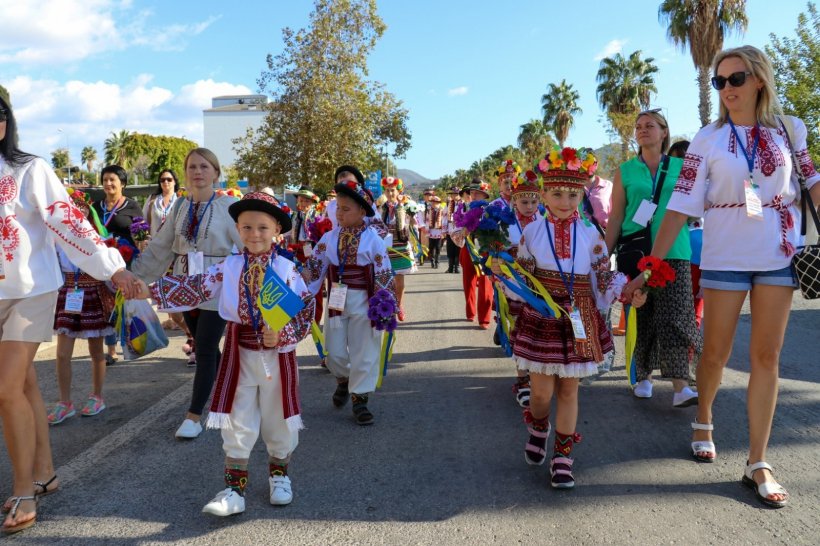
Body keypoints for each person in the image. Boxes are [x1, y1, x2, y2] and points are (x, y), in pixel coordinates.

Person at [625, 45, 820, 508]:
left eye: (735, 79)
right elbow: (681, 205)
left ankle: (758, 460)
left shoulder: (791, 128)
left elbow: (811, 182)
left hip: (777, 253)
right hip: (725, 255)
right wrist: (650, 266)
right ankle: (704, 418)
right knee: (714, 352)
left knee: (767, 356)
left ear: (759, 80)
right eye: (719, 81)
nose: (727, 89)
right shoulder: (707, 139)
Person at [0, 84, 139, 534]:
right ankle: (45, 473)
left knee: (5, 390)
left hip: (31, 290)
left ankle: (23, 490)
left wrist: (110, 269)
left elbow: (68, 220)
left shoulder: (29, 168)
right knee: (22, 385)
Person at [134, 191, 314, 516]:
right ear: (237, 230)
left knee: (278, 418)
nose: (253, 234)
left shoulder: (287, 270)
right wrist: (150, 288)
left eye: (261, 227)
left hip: (277, 356)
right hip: (239, 353)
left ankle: (279, 476)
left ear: (276, 230)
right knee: (236, 416)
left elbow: (303, 312)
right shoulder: (229, 267)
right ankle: (234, 490)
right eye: (246, 227)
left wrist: (282, 332)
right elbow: (196, 286)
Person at [491, 147, 632, 489]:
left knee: (569, 390)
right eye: (557, 194)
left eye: (572, 194)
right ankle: (539, 426)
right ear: (543, 194)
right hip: (543, 315)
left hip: (579, 314)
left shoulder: (592, 235)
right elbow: (522, 274)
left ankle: (563, 457)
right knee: (540, 392)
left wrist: (625, 289)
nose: (565, 202)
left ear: (581, 194)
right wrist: (504, 274)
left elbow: (602, 274)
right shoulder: (532, 234)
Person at [131, 147, 243, 440]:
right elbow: (161, 246)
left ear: (216, 173)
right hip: (183, 286)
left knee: (204, 348)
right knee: (204, 346)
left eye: (205, 166)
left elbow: (247, 245)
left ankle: (194, 416)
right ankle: (225, 397)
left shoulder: (228, 206)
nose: (198, 172)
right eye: (192, 166)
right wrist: (134, 277)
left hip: (214, 286)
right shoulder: (180, 207)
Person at [605, 109, 701, 407]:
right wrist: (602, 255)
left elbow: (693, 209)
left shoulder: (681, 167)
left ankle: (680, 385)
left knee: (676, 316)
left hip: (676, 252)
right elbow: (617, 215)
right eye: (638, 126)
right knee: (642, 314)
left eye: (650, 125)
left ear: (664, 132)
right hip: (637, 251)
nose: (643, 130)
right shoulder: (625, 171)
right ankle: (643, 377)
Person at [302, 175, 397, 426]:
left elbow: (384, 273)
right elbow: (314, 268)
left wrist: (384, 307)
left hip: (365, 301)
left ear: (362, 211)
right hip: (336, 299)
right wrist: (297, 285)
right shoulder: (329, 238)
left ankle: (360, 398)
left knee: (363, 349)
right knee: (333, 351)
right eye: (338, 209)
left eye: (346, 209)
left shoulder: (373, 240)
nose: (340, 214)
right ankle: (343, 379)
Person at [47, 189, 118, 424]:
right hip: (68, 294)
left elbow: (108, 267)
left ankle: (97, 396)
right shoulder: (57, 238)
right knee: (62, 353)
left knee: (96, 351)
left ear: (88, 212)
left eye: (81, 207)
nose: (77, 211)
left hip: (92, 293)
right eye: (72, 207)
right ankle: (64, 402)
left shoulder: (97, 239)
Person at [92, 164, 142, 366]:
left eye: (112, 180)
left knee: (123, 304)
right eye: (105, 180)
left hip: (125, 263)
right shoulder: (95, 208)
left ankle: (129, 344)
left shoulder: (131, 206)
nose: (108, 183)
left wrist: (142, 239)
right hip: (101, 263)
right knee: (106, 305)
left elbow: (142, 231)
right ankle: (111, 350)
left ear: (123, 183)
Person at [502, 170, 543, 406]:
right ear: (514, 200)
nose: (529, 206)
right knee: (519, 329)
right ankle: (522, 379)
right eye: (524, 201)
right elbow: (493, 251)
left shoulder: (545, 222)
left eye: (534, 201)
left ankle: (537, 375)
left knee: (537, 332)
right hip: (516, 285)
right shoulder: (505, 223)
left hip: (541, 287)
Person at [141, 169, 194, 349]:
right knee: (166, 302)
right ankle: (190, 333)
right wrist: (144, 237)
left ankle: (193, 339)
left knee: (181, 300)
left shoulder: (182, 201)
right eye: (162, 179)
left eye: (169, 179)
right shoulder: (152, 201)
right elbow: (142, 224)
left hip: (178, 256)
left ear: (175, 182)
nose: (166, 183)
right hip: (158, 255)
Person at [378, 176, 416, 321]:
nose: (390, 193)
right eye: (387, 191)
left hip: (400, 246)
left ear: (399, 191)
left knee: (399, 280)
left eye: (393, 190)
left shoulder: (406, 206)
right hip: (385, 247)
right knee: (385, 278)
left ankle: (399, 306)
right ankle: (386, 306)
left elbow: (414, 224)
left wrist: (410, 218)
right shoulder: (381, 207)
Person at [458, 179, 493, 328]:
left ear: (484, 195)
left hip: (484, 249)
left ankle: (484, 319)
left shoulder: (491, 209)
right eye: (471, 192)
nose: (473, 195)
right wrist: (460, 231)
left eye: (476, 193)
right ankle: (470, 312)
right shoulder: (463, 208)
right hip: (467, 247)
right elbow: (456, 226)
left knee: (485, 283)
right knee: (468, 281)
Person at [444, 186, 462, 273]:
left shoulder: (463, 204)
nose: (454, 196)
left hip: (459, 228)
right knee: (450, 248)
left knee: (458, 248)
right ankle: (450, 267)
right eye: (453, 194)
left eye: (456, 194)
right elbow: (444, 216)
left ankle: (457, 267)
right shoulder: (448, 203)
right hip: (450, 228)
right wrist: (444, 229)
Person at [424, 195, 445, 268]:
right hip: (431, 231)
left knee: (438, 248)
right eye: (432, 202)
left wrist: (443, 231)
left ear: (438, 203)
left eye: (435, 202)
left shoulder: (442, 210)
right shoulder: (429, 210)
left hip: (439, 231)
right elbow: (427, 221)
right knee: (431, 247)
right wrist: (427, 231)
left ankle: (437, 262)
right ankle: (432, 261)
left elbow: (444, 221)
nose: (433, 204)